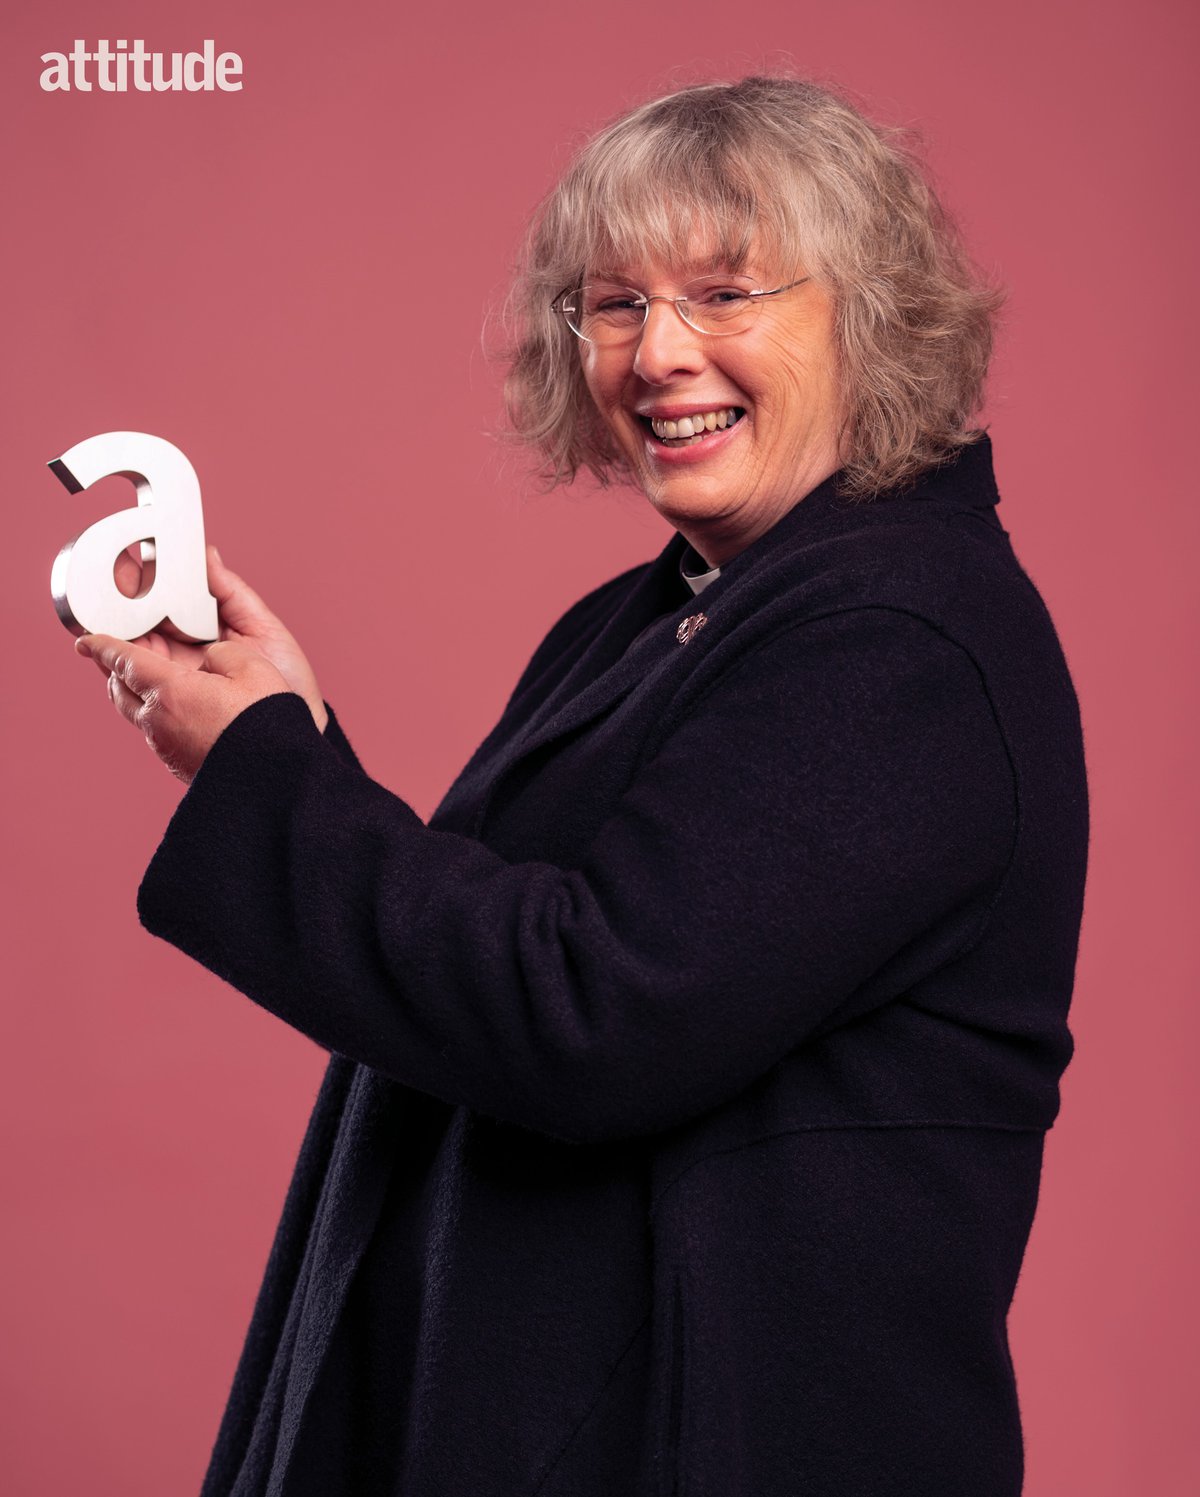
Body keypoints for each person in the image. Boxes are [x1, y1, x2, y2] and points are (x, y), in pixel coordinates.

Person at [73, 75, 1089, 1497]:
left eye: (726, 293)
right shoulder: (671, 610)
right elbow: (507, 953)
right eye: (614, 304)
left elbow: (587, 1010)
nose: (658, 352)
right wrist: (289, 731)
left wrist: (265, 774)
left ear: (866, 312)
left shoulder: (899, 636)